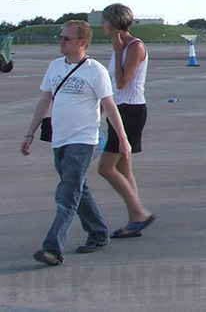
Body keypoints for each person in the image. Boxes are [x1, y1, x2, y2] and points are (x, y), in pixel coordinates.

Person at [21, 20, 133, 266]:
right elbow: (46, 100)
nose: (61, 42)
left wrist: (123, 139)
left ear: (82, 42)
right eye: (60, 38)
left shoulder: (95, 70)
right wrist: (29, 133)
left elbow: (109, 106)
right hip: (59, 140)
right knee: (78, 189)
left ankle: (53, 248)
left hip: (83, 142)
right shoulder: (54, 67)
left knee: (67, 194)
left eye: (66, 38)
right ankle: (99, 232)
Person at [97, 4, 157, 240]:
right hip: (120, 110)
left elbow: (122, 82)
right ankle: (136, 217)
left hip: (130, 112)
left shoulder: (134, 46)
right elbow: (113, 87)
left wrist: (120, 50)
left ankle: (139, 214)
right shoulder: (119, 46)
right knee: (123, 167)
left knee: (105, 168)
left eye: (104, 21)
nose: (102, 25)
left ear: (113, 22)